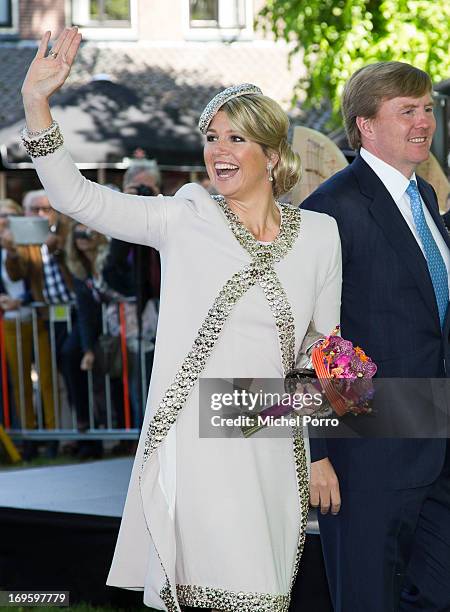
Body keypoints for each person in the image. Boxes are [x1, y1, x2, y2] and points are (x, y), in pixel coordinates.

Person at [20, 27, 341, 612]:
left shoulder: (321, 234)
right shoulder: (184, 215)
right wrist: (36, 106)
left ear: (272, 155)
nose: (217, 151)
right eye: (211, 138)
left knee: (266, 594)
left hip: (273, 441)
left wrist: (323, 451)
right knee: (216, 591)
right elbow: (75, 196)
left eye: (235, 139)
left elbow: (327, 349)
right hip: (197, 435)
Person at [301, 61, 450, 611]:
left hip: (438, 447)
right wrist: (318, 452)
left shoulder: (426, 202)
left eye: (428, 109)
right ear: (365, 125)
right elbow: (318, 338)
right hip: (369, 456)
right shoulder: (329, 210)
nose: (424, 122)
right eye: (407, 111)